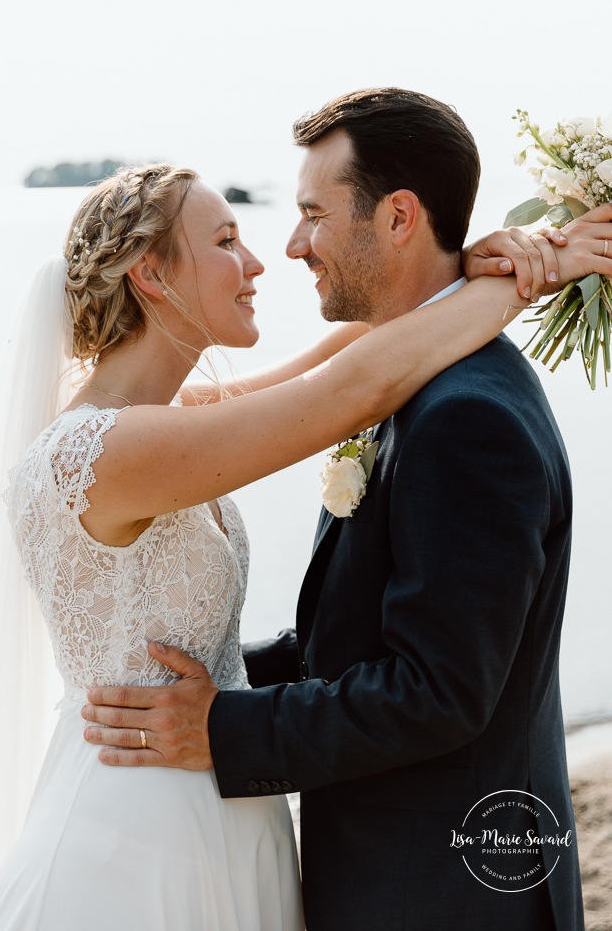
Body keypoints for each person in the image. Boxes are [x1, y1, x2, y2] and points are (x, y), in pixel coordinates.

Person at [80, 90, 612, 931]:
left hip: (441, 893)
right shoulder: (416, 384)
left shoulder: (465, 417)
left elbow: (436, 691)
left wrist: (224, 731)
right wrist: (215, 676)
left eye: (312, 215)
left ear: (398, 218)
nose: (289, 248)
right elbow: (373, 629)